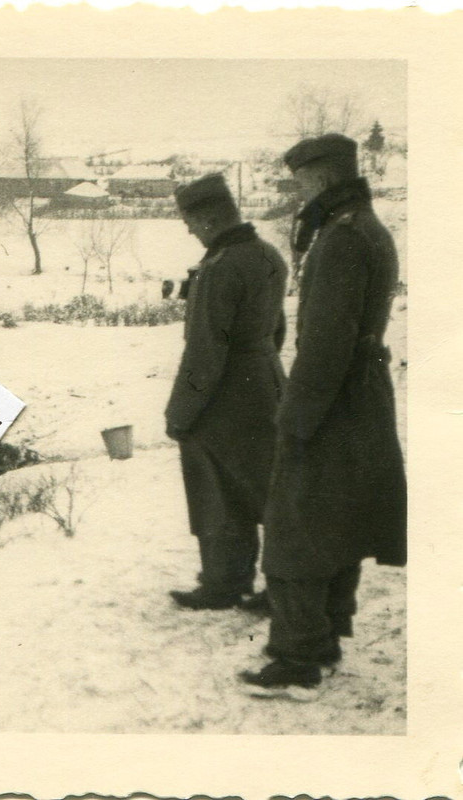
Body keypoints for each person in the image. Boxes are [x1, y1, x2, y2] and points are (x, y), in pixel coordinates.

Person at [240, 134, 406, 700]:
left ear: (325, 178)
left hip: (329, 401)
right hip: (361, 398)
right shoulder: (369, 229)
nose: (299, 188)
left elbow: (325, 345)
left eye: (304, 179)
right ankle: (327, 637)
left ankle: (298, 658)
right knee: (338, 523)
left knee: (295, 528)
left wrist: (295, 417)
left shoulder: (340, 240)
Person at [165, 173, 288, 611]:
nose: (190, 230)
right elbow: (277, 330)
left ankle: (224, 583)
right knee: (269, 491)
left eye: (192, 221)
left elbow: (205, 350)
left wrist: (181, 412)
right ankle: (284, 587)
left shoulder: (218, 269)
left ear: (211, 218)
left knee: (216, 493)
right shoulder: (269, 255)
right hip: (268, 386)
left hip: (222, 400)